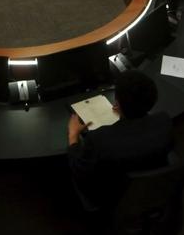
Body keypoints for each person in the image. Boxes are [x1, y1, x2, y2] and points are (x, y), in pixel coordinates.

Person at [67, 70, 174, 212]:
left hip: (114, 199)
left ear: (118, 102)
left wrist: (73, 135)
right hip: (154, 188)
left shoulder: (98, 140)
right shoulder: (164, 121)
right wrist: (126, 111)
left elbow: (79, 170)